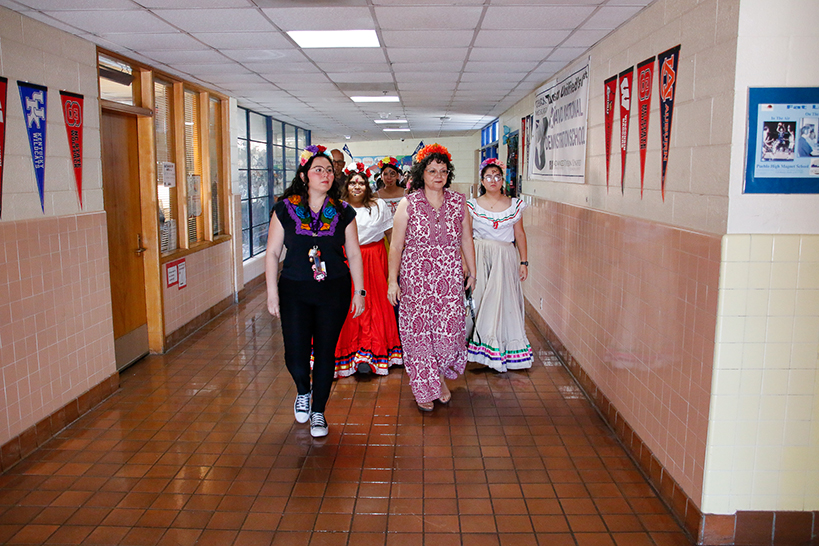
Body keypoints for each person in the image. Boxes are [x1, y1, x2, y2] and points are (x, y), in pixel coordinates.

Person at [265, 145, 365, 438]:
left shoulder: (343, 211)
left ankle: (319, 410)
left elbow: (354, 253)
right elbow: (272, 253)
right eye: (318, 170)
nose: (325, 175)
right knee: (295, 356)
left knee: (325, 352)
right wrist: (272, 293)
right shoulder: (285, 209)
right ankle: (303, 390)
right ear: (304, 176)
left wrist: (359, 292)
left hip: (334, 290)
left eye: (329, 170)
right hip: (294, 290)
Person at [387, 143, 476, 412]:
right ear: (421, 173)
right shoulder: (408, 203)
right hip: (415, 278)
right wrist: (393, 280)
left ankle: (438, 376)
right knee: (419, 335)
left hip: (449, 277)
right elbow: (396, 246)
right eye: (432, 171)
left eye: (443, 171)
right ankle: (424, 387)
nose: (439, 176)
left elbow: (467, 240)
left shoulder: (459, 203)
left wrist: (473, 272)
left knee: (449, 332)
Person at [334, 164, 402, 377]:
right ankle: (350, 353)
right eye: (353, 183)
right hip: (347, 262)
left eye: (361, 183)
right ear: (347, 185)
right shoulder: (338, 207)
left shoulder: (379, 205)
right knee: (348, 306)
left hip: (374, 260)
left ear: (367, 186)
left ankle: (372, 353)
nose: (357, 186)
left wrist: (397, 265)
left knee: (375, 306)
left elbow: (391, 235)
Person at [466, 158, 533, 372]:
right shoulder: (472, 205)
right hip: (479, 255)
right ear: (482, 181)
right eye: (488, 177)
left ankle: (499, 349)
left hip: (504, 257)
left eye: (497, 176)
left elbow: (519, 234)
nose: (493, 180)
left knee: (501, 300)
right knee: (478, 299)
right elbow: (465, 236)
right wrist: (466, 263)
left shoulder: (514, 205)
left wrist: (523, 261)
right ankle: (477, 347)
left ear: (503, 180)